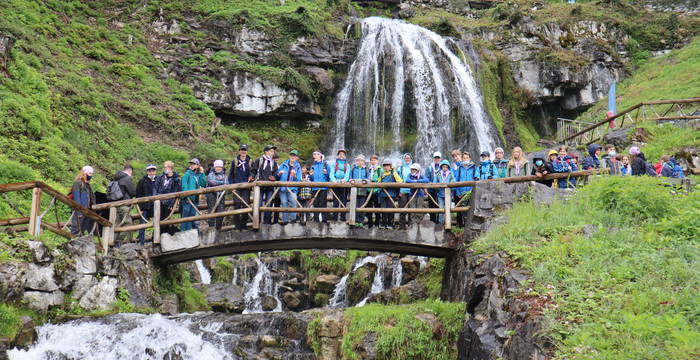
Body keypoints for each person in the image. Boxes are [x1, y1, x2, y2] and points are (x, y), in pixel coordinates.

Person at [251, 145, 279, 225]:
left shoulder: (274, 162)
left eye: (273, 151)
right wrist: (251, 177)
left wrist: (274, 177)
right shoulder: (259, 160)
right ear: (266, 152)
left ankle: (267, 223)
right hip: (259, 186)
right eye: (271, 151)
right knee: (258, 204)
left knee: (269, 204)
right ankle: (258, 222)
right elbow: (253, 171)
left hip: (270, 187)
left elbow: (275, 173)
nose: (272, 153)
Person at [229, 144, 252, 230]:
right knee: (237, 205)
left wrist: (251, 177)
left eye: (245, 150)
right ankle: (237, 226)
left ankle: (244, 225)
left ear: (247, 151)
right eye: (242, 150)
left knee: (245, 205)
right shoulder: (234, 161)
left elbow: (253, 172)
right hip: (236, 187)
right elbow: (230, 175)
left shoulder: (250, 162)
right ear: (239, 151)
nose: (243, 151)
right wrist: (232, 186)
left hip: (246, 187)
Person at [113, 164, 137, 245]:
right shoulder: (126, 178)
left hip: (116, 205)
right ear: (130, 171)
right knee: (129, 224)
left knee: (118, 225)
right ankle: (125, 243)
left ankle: (112, 244)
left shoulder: (116, 178)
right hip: (124, 205)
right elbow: (133, 192)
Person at [155, 161, 181, 235]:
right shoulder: (160, 178)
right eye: (164, 167)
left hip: (169, 203)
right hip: (159, 202)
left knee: (166, 221)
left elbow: (177, 192)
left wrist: (172, 204)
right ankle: (158, 237)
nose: (164, 168)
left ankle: (165, 236)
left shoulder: (176, 179)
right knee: (158, 220)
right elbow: (156, 189)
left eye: (166, 167)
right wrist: (157, 200)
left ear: (170, 167)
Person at [180, 159, 206, 231]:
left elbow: (203, 184)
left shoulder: (198, 175)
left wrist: (202, 173)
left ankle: (193, 232)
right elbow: (184, 186)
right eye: (191, 164)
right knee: (186, 217)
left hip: (195, 199)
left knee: (192, 216)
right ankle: (184, 232)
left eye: (194, 164)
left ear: (198, 165)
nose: (192, 165)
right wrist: (186, 196)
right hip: (187, 199)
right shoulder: (187, 174)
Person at [278, 150, 302, 225]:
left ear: (297, 157)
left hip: (293, 188)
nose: (293, 157)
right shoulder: (283, 164)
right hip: (283, 188)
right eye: (291, 155)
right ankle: (285, 221)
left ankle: (293, 220)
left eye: (294, 155)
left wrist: (294, 176)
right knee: (284, 203)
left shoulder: (298, 167)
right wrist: (279, 173)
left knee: (293, 202)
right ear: (289, 156)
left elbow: (299, 179)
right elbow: (277, 175)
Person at [70, 166, 96, 236]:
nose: (91, 175)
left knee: (82, 230)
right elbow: (76, 198)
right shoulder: (78, 183)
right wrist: (79, 211)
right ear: (85, 173)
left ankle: (77, 245)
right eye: (90, 173)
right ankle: (70, 244)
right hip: (79, 210)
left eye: (92, 174)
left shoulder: (87, 185)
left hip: (86, 211)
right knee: (75, 229)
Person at [136, 164, 158, 245]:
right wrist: (140, 208)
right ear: (147, 171)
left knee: (158, 222)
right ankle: (141, 242)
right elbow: (138, 194)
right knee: (142, 224)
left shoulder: (159, 180)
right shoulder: (142, 181)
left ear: (155, 171)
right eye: (150, 170)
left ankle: (155, 240)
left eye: (153, 170)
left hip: (156, 206)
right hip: (145, 206)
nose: (151, 172)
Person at [377, 159, 403, 229]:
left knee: (390, 209)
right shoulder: (382, 174)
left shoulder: (394, 173)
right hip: (383, 194)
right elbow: (378, 182)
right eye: (385, 165)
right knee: (383, 209)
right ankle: (384, 223)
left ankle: (390, 223)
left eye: (387, 165)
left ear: (390, 166)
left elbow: (400, 181)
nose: (386, 167)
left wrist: (391, 185)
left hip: (391, 194)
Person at [349, 155, 370, 227]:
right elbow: (350, 177)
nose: (359, 162)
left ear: (364, 162)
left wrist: (365, 181)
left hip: (363, 191)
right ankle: (355, 221)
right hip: (354, 191)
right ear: (356, 161)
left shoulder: (366, 169)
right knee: (354, 205)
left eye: (361, 160)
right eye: (358, 160)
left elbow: (369, 178)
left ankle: (361, 221)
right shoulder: (353, 169)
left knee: (362, 206)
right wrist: (351, 180)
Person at [309, 151, 331, 222]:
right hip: (315, 188)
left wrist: (326, 173)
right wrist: (311, 175)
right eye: (313, 154)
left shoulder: (326, 164)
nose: (314, 156)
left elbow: (329, 177)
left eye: (316, 154)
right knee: (316, 204)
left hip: (323, 188)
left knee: (323, 204)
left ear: (320, 156)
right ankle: (316, 220)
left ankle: (324, 220)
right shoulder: (313, 166)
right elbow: (311, 179)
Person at [330, 149, 351, 221]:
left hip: (344, 185)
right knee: (335, 202)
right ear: (337, 156)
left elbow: (347, 174)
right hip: (335, 184)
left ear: (345, 156)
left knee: (343, 201)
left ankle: (343, 217)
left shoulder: (347, 165)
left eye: (343, 154)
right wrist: (334, 180)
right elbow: (331, 174)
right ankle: (334, 218)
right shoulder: (334, 164)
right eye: (340, 154)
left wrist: (344, 180)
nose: (341, 155)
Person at [206, 160, 227, 230]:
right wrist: (221, 183)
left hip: (221, 195)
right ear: (214, 167)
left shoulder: (225, 175)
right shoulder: (210, 174)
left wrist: (218, 183)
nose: (218, 168)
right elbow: (211, 182)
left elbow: (227, 184)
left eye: (220, 167)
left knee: (221, 212)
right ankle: (211, 229)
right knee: (211, 212)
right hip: (211, 195)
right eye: (217, 167)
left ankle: (218, 229)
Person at [433, 160, 454, 225]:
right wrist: (438, 187)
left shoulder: (451, 174)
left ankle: (448, 223)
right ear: (441, 167)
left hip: (448, 194)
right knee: (441, 209)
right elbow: (434, 183)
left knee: (448, 209)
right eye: (443, 167)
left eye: (446, 167)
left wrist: (449, 185)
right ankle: (440, 223)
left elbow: (454, 182)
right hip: (440, 194)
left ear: (448, 167)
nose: (444, 168)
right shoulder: (438, 174)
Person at [397, 153, 414, 228]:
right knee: (402, 208)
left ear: (411, 159)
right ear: (404, 159)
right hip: (403, 191)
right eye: (406, 158)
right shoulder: (400, 168)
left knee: (411, 209)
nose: (407, 159)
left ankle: (411, 225)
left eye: (409, 158)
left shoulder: (414, 167)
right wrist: (399, 191)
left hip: (412, 191)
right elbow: (397, 180)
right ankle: (402, 225)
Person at [425, 152, 443, 223]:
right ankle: (432, 221)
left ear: (440, 159)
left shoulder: (444, 167)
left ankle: (439, 221)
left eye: (438, 158)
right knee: (431, 205)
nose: (437, 159)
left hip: (440, 190)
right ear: (433, 158)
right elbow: (426, 178)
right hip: (431, 190)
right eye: (435, 158)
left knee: (439, 205)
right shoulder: (429, 168)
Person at [367, 155, 382, 228]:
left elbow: (381, 179)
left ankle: (377, 223)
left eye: (375, 160)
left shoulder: (380, 169)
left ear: (377, 161)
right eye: (372, 160)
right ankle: (370, 223)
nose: (373, 161)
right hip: (369, 190)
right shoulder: (368, 169)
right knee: (368, 208)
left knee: (377, 208)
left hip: (377, 191)